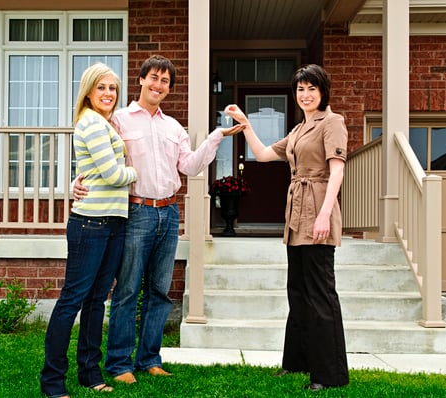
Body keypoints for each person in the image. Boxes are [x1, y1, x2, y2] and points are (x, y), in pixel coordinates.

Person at [73, 55, 245, 384]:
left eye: (165, 81)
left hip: (169, 212)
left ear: (169, 88)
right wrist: (76, 181)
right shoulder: (118, 120)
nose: (158, 84)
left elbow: (192, 167)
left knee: (159, 291)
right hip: (136, 212)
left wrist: (217, 136)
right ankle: (119, 364)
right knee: (126, 290)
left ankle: (150, 358)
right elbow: (96, 157)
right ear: (140, 80)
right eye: (153, 77)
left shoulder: (173, 128)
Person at [225, 64, 349, 391]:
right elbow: (264, 154)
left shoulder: (332, 123)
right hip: (296, 216)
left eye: (311, 88)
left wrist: (324, 215)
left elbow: (336, 172)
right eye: (300, 89)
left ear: (323, 91)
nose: (305, 95)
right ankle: (296, 362)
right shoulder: (297, 131)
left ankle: (329, 374)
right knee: (297, 292)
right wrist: (246, 125)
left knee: (320, 294)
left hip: (318, 209)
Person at [40, 62, 138, 397]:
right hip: (91, 224)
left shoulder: (105, 123)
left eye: (113, 88)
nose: (109, 94)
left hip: (112, 222)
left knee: (97, 300)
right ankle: (52, 380)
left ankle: (89, 373)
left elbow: (94, 172)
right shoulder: (93, 123)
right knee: (73, 300)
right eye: (102, 88)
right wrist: (134, 173)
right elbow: (112, 175)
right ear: (88, 91)